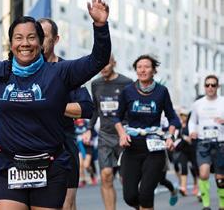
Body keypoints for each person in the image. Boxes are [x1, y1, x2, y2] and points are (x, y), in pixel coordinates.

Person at [0, 0, 110, 210]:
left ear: (41, 42)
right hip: (10, 166)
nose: (25, 43)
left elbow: (97, 59)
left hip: (50, 167)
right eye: (18, 38)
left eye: (31, 37)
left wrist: (100, 26)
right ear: (11, 43)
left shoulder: (59, 73)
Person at [38, 17, 94, 210]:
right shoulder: (20, 71)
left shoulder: (68, 71)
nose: (38, 41)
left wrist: (51, 105)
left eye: (43, 36)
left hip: (63, 148)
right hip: (28, 150)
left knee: (65, 206)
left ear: (56, 39)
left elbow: (86, 107)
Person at [115, 55, 180, 210]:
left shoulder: (162, 92)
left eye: (147, 67)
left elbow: (173, 119)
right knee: (130, 197)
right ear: (136, 70)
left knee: (145, 193)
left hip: (154, 146)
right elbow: (117, 117)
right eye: (139, 67)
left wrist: (170, 136)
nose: (143, 70)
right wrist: (122, 134)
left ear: (154, 70)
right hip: (132, 146)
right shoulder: (128, 91)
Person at [88, 55, 132, 210]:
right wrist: (89, 129)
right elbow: (95, 109)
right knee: (106, 176)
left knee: (125, 179)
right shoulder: (96, 84)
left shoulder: (126, 83)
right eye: (100, 65)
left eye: (106, 64)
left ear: (114, 63)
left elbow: (132, 108)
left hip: (124, 135)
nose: (103, 68)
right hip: (105, 135)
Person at [188, 74, 224, 210]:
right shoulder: (198, 104)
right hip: (203, 143)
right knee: (203, 174)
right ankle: (206, 205)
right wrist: (192, 131)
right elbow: (192, 121)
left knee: (220, 179)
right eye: (207, 85)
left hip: (221, 143)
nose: (210, 88)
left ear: (217, 87)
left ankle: (222, 205)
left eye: (213, 85)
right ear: (204, 87)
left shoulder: (223, 102)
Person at [175, 110, 199, 197]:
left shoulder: (193, 125)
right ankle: (183, 187)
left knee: (195, 169)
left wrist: (191, 138)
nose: (182, 117)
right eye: (181, 115)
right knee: (183, 167)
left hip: (193, 150)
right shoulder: (180, 126)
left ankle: (196, 186)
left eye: (184, 115)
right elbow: (176, 137)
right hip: (183, 150)